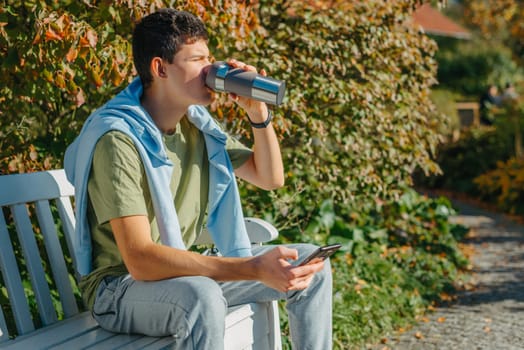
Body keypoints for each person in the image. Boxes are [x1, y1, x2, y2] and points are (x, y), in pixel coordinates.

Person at [63, 8, 333, 350]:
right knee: (202, 294)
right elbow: (141, 260)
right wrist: (251, 267)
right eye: (197, 59)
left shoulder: (198, 127)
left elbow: (269, 177)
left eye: (211, 57)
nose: (211, 68)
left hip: (179, 280)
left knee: (311, 266)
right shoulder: (119, 138)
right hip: (120, 290)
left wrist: (257, 113)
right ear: (160, 68)